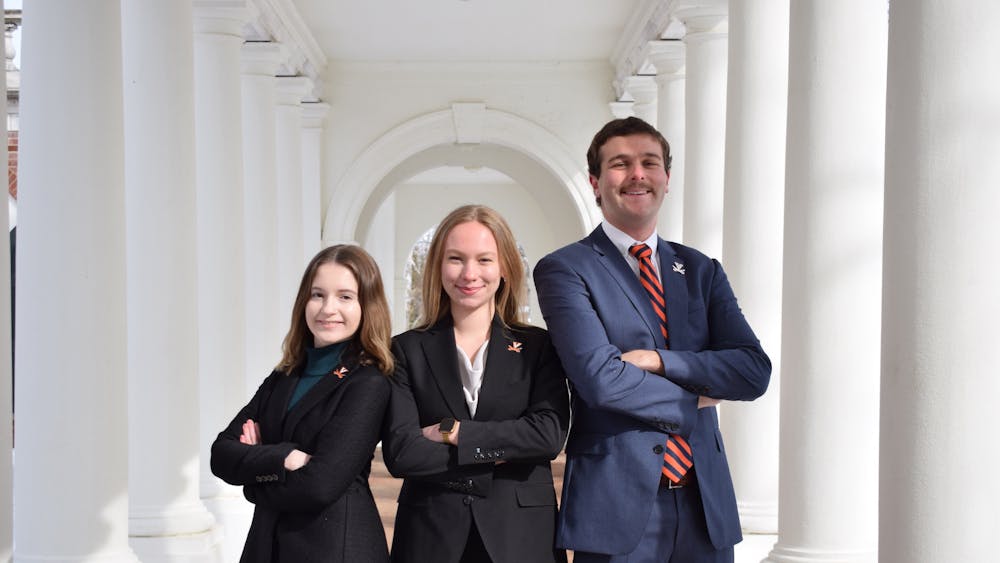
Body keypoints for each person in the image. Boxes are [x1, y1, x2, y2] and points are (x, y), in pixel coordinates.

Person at [533, 117, 771, 563]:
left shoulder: (702, 270)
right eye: (620, 164)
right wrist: (694, 398)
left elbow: (753, 371)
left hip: (706, 505)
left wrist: (659, 361)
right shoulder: (566, 269)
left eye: (650, 162)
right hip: (616, 508)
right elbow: (600, 380)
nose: (637, 174)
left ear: (666, 178)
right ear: (595, 183)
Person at [382, 204, 570, 563]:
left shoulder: (538, 346)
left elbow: (547, 435)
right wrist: (505, 448)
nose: (469, 273)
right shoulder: (405, 350)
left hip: (521, 535)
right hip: (431, 534)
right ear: (438, 267)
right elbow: (402, 452)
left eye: (484, 260)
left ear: (505, 269)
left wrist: (455, 434)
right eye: (456, 259)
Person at [211, 244, 394, 563]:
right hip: (267, 546)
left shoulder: (368, 382)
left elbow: (320, 485)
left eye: (345, 296)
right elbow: (221, 454)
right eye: (317, 295)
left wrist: (253, 481)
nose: (327, 308)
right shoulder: (283, 376)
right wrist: (286, 456)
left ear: (367, 305)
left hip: (334, 549)